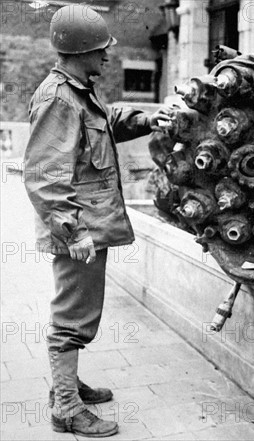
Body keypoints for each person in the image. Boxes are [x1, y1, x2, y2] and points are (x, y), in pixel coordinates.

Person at [23, 4, 172, 437]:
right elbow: (45, 174)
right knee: (73, 316)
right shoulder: (58, 99)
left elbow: (105, 124)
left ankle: (66, 385)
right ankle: (66, 408)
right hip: (77, 230)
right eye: (101, 49)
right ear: (80, 50)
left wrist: (148, 119)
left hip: (85, 225)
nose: (107, 55)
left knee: (81, 313)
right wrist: (74, 232)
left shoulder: (78, 91)